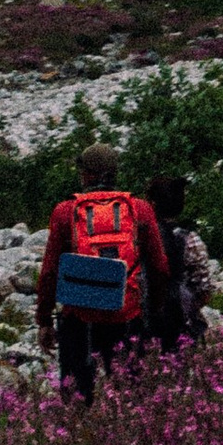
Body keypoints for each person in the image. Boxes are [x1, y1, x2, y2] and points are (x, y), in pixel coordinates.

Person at [35, 142, 168, 401]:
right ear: (114, 173)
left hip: (79, 317)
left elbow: (50, 272)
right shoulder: (139, 209)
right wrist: (152, 311)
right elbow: (160, 268)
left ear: (85, 174)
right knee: (133, 394)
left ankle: (77, 435)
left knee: (77, 396)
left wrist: (44, 321)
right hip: (127, 314)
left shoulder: (65, 212)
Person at [144, 169, 210, 353]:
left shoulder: (141, 238)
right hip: (181, 319)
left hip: (147, 319)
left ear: (152, 204)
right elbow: (203, 288)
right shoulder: (192, 240)